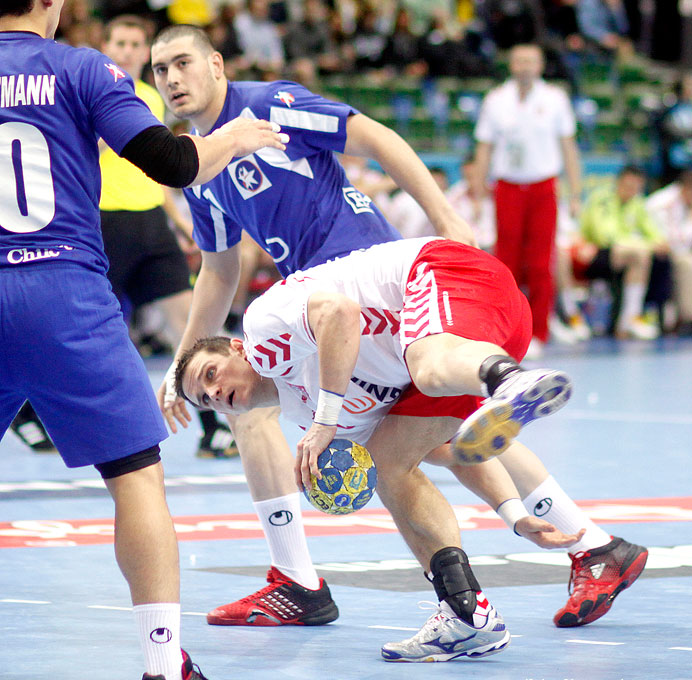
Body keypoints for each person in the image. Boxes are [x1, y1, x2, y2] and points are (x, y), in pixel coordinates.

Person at [0, 0, 287, 680]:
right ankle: (165, 672)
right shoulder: (81, 68)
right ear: (52, 4)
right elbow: (175, 162)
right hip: (62, 286)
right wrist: (239, 136)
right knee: (136, 477)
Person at [149, 23, 477, 628]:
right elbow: (219, 270)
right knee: (432, 435)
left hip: (360, 279)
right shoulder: (197, 166)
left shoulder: (269, 104)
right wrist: (181, 362)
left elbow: (373, 137)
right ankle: (584, 540)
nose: (171, 78)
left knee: (431, 432)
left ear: (216, 64)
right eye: (159, 69)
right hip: (314, 298)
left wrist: (443, 213)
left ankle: (298, 581)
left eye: (181, 62)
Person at [176, 236, 648, 646]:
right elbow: (449, 449)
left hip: (445, 275)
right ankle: (466, 614)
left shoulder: (262, 333)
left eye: (211, 374)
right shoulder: (302, 413)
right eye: (206, 398)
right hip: (488, 326)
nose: (215, 392)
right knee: (390, 462)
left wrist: (326, 420)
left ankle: (508, 381)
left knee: (427, 365)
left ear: (235, 349)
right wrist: (514, 515)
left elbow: (339, 312)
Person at [99, 14, 237, 459]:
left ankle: (215, 425)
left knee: (191, 322)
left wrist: (180, 223)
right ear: (107, 47)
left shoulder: (151, 99)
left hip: (151, 226)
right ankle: (32, 417)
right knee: (96, 333)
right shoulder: (96, 92)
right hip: (105, 223)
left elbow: (155, 168)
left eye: (134, 44)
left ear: (145, 53)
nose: (125, 50)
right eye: (118, 43)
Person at [472, 43, 583, 359]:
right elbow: (484, 147)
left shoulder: (555, 99)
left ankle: (539, 331)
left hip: (543, 186)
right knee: (506, 261)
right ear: (511, 65)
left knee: (539, 262)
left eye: (530, 61)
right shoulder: (496, 100)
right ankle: (506, 330)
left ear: (540, 65)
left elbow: (568, 146)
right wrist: (479, 190)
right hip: (507, 187)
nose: (524, 66)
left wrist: (575, 191)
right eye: (519, 61)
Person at [577, 165, 671, 339]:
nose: (631, 191)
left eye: (636, 188)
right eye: (628, 186)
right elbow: (606, 237)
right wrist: (643, 244)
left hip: (629, 254)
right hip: (597, 254)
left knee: (655, 258)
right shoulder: (602, 199)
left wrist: (655, 244)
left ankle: (631, 319)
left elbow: (655, 235)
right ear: (619, 183)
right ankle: (630, 319)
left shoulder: (638, 204)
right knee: (639, 253)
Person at [646, 170, 692, 336]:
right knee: (688, 263)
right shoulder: (664, 202)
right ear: (686, 189)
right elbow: (675, 240)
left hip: (677, 249)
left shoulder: (687, 203)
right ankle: (689, 318)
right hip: (657, 249)